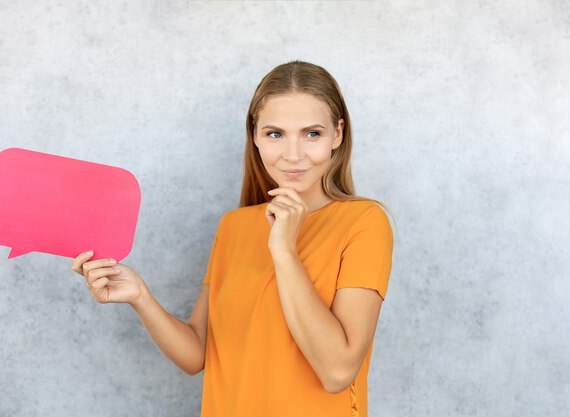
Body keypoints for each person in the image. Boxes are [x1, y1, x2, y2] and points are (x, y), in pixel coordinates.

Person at [71, 60, 395, 417]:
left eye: (312, 134)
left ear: (337, 134)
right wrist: (139, 296)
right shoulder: (234, 227)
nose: (293, 154)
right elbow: (197, 353)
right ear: (255, 136)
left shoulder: (364, 222)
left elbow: (337, 372)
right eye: (275, 134)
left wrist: (284, 250)